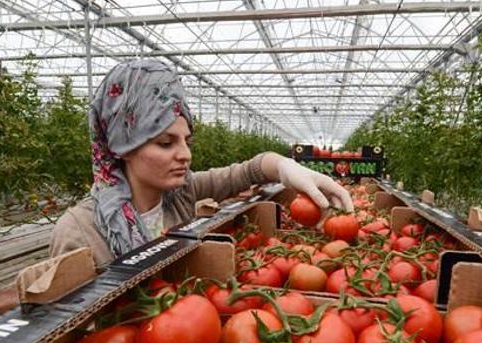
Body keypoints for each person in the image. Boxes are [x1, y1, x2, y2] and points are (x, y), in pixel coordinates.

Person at [49, 59, 353, 268]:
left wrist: (289, 168)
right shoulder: (79, 230)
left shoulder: (181, 192)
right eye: (166, 143)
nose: (185, 154)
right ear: (122, 146)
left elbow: (250, 170)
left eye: (186, 141)